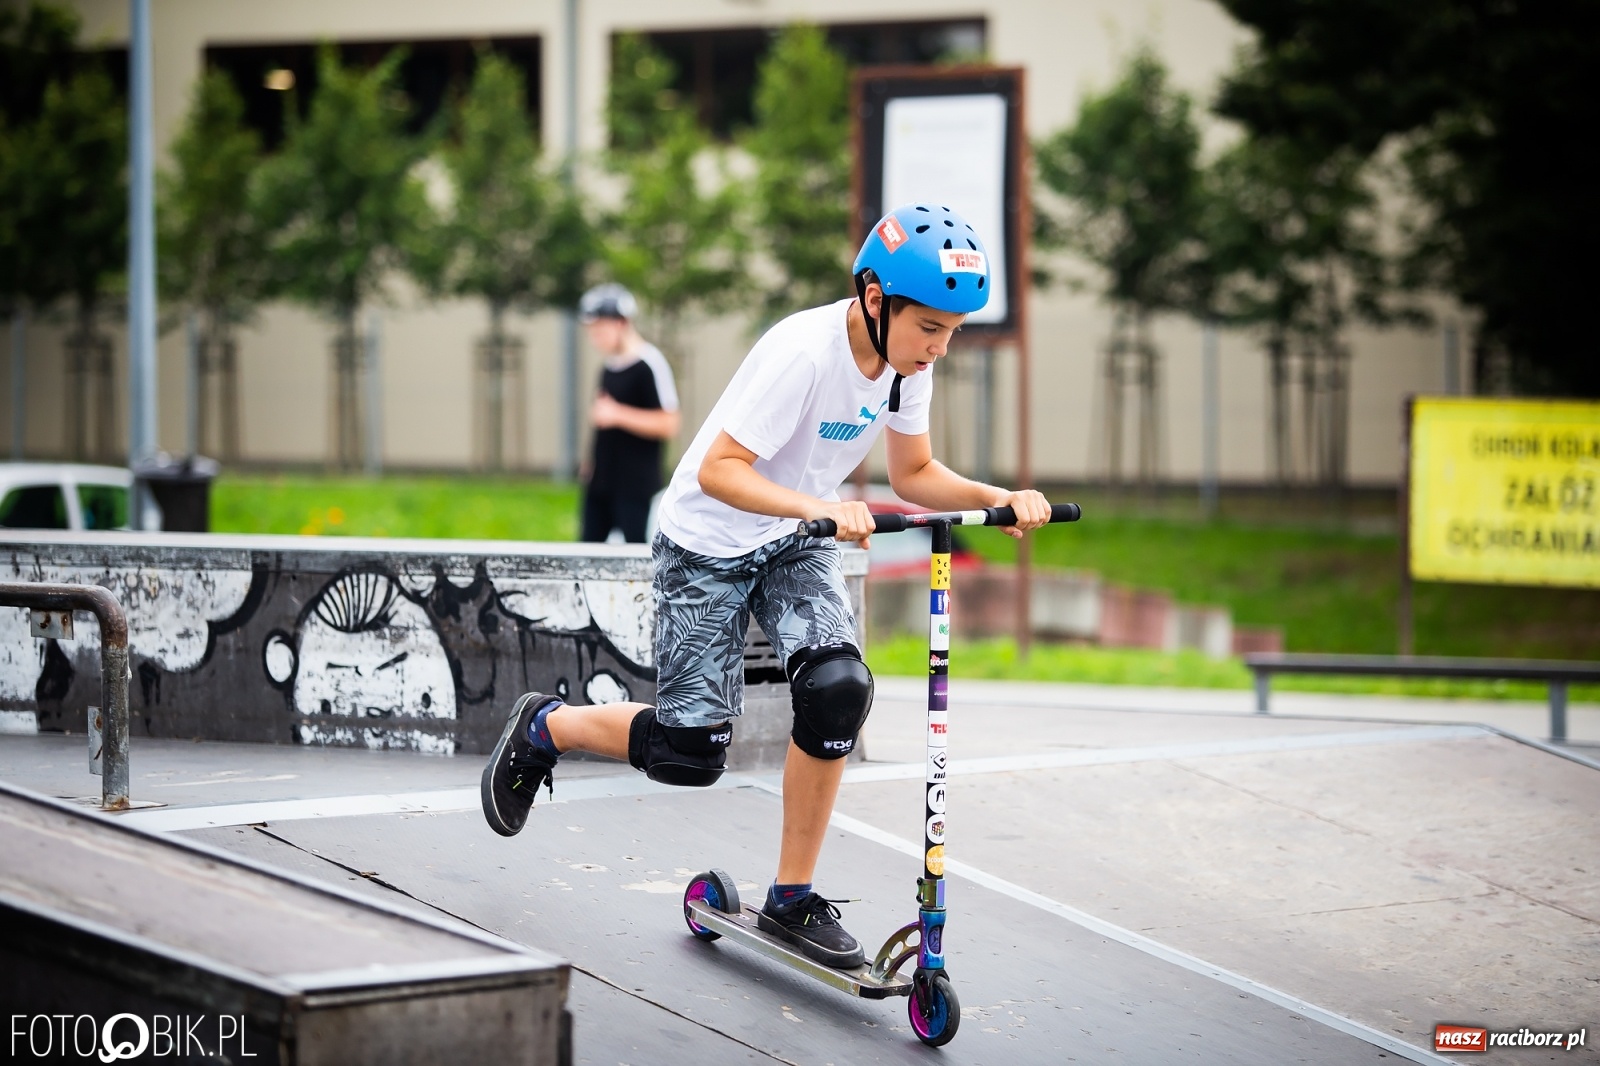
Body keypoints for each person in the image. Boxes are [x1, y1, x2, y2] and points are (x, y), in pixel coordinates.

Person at [483, 204, 1049, 969]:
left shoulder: (905, 362)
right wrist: (819, 505)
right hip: (706, 541)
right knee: (690, 751)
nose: (941, 348)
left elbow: (912, 472)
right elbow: (719, 470)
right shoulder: (804, 353)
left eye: (953, 331)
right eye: (931, 328)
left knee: (839, 687)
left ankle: (791, 897)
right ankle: (546, 726)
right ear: (877, 300)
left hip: (792, 538)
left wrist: (995, 497)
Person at [577, 283, 681, 543]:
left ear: (622, 323)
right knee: (587, 554)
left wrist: (618, 414)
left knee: (633, 557)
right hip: (602, 483)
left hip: (635, 486)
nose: (595, 339)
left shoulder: (649, 364)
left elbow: (669, 423)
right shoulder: (609, 366)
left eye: (600, 330)